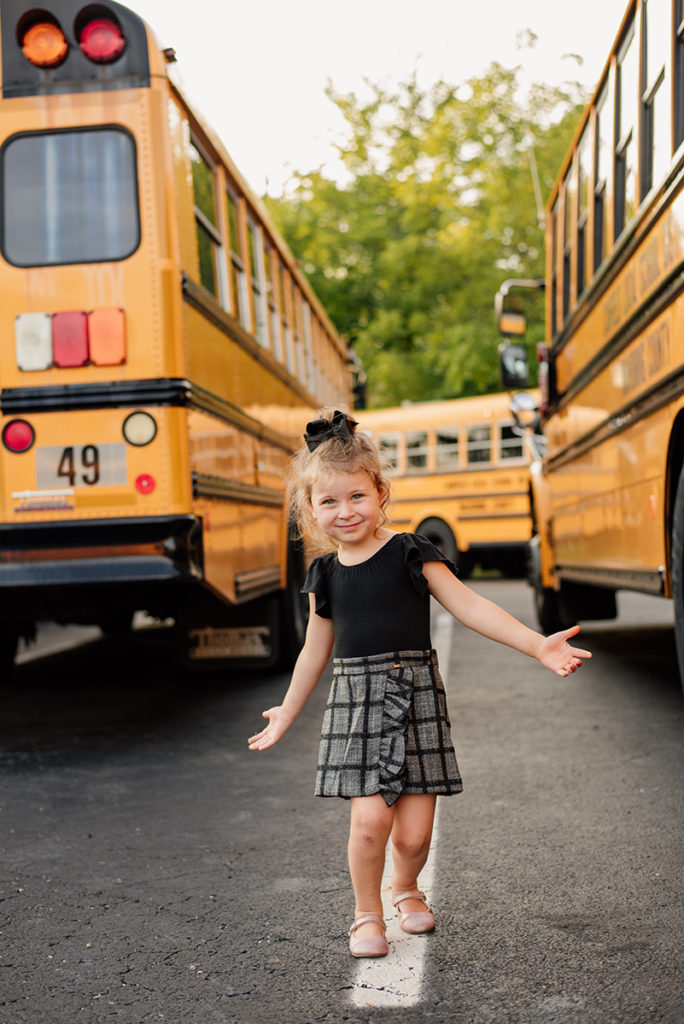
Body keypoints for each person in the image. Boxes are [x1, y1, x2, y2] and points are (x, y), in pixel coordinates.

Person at [248, 409, 591, 958]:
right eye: (328, 502)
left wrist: (536, 644)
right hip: (356, 705)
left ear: (380, 492)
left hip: (416, 700)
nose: (345, 512)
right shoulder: (325, 576)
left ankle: (406, 887)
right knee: (368, 824)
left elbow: (471, 606)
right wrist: (288, 710)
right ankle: (366, 915)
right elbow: (315, 650)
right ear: (310, 510)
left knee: (412, 835)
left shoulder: (411, 553)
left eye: (356, 497)